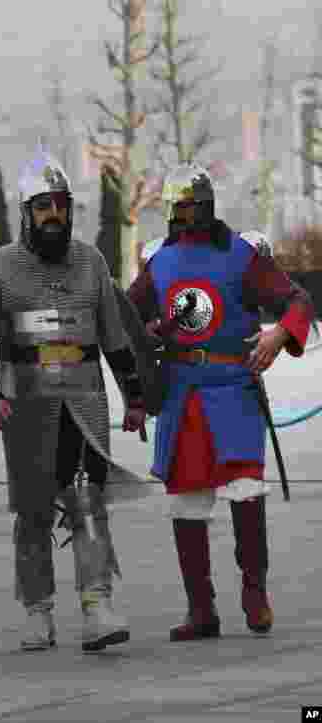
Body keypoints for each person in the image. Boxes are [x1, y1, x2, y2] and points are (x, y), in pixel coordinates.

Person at [0, 149, 149, 653]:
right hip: (26, 409)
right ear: (26, 213)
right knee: (32, 512)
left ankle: (97, 605)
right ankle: (38, 610)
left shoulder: (91, 262)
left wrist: (135, 397)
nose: (53, 215)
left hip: (84, 404)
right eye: (43, 206)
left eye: (60, 205)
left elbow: (114, 340)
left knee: (89, 500)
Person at [126, 163, 315, 640]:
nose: (185, 214)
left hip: (233, 385)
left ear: (208, 206)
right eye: (178, 206)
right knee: (187, 501)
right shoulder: (159, 262)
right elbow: (125, 319)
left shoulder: (242, 256)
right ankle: (201, 610)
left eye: (192, 205)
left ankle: (255, 593)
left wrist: (278, 335)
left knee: (245, 489)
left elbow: (297, 300)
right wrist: (145, 338)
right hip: (181, 390)